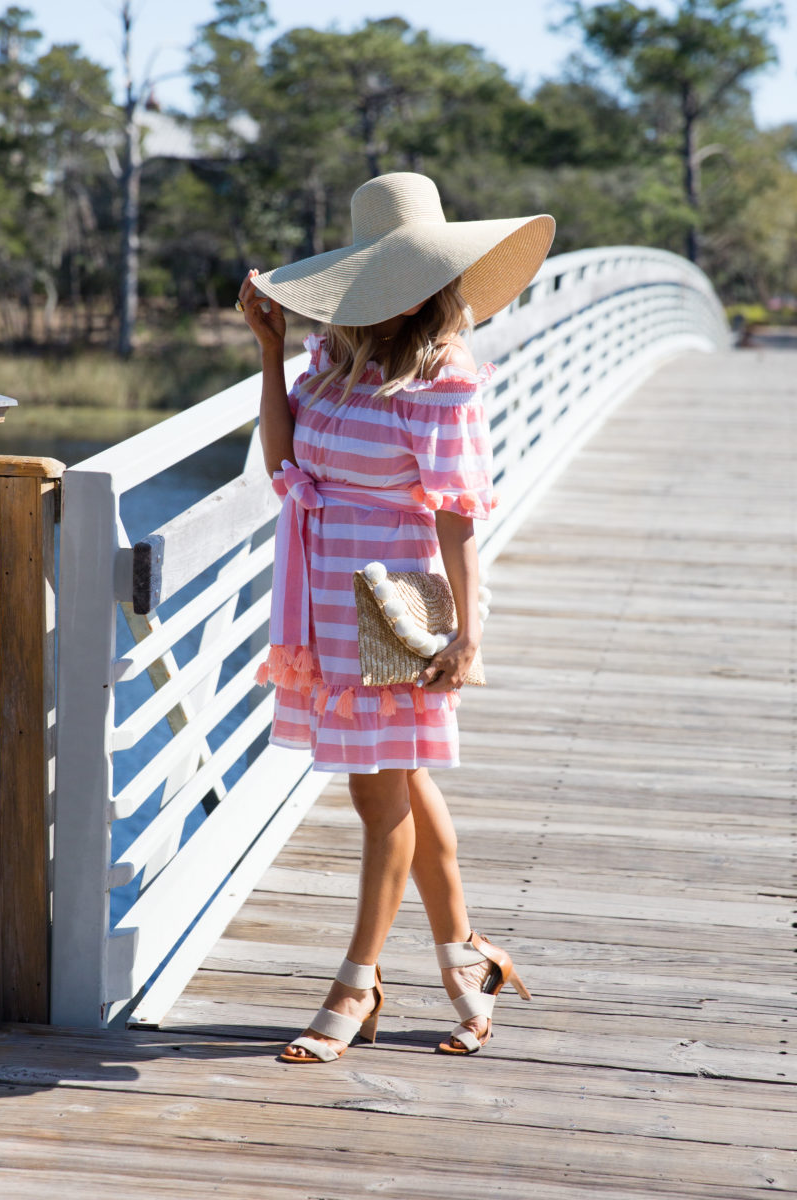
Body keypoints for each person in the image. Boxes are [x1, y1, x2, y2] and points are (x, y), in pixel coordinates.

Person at [236, 172, 554, 1063]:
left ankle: (355, 981)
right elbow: (285, 465)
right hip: (325, 595)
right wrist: (270, 351)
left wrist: (467, 632)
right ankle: (469, 963)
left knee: (378, 794)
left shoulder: (442, 380)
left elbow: (456, 517)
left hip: (395, 604)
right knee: (404, 785)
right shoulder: (332, 366)